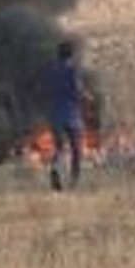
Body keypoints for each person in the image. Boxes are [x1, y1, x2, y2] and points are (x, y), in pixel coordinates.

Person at [44, 39, 90, 191]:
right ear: (71, 55)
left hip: (55, 114)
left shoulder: (51, 71)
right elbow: (77, 90)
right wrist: (88, 98)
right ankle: (74, 182)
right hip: (72, 116)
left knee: (60, 148)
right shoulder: (72, 70)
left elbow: (47, 91)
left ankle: (56, 168)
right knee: (76, 150)